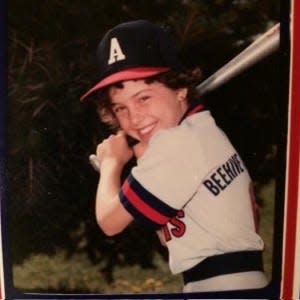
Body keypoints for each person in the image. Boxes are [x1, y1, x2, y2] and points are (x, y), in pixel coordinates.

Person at [80, 19, 268, 293]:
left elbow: (110, 222)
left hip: (221, 287)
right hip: (233, 284)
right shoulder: (201, 130)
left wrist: (111, 163)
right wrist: (144, 157)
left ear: (180, 89)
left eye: (144, 98)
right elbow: (165, 232)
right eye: (120, 108)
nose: (134, 117)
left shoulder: (177, 144)